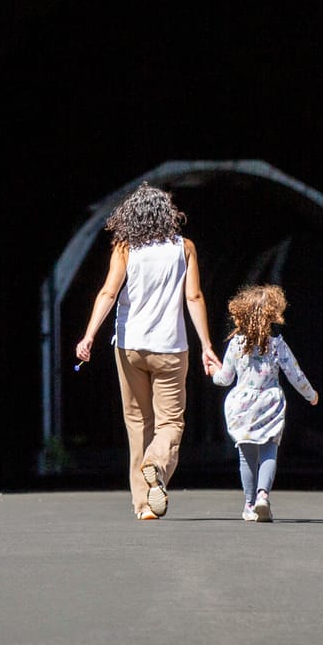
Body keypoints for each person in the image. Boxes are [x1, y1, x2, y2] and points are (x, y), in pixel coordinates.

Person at [75, 183, 220, 520]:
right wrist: (207, 346)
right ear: (168, 216)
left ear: (131, 218)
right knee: (170, 422)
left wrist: (88, 336)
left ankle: (143, 505)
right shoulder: (185, 248)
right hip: (171, 347)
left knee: (137, 421)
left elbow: (108, 293)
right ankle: (156, 465)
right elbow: (194, 297)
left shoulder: (125, 248)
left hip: (130, 347)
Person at [210, 284, 318, 523]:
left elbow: (224, 379)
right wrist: (311, 394)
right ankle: (263, 496)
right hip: (269, 402)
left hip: (242, 406)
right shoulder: (277, 345)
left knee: (246, 456)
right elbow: (295, 374)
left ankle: (249, 505)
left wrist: (213, 371)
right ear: (272, 316)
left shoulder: (236, 345)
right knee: (269, 449)